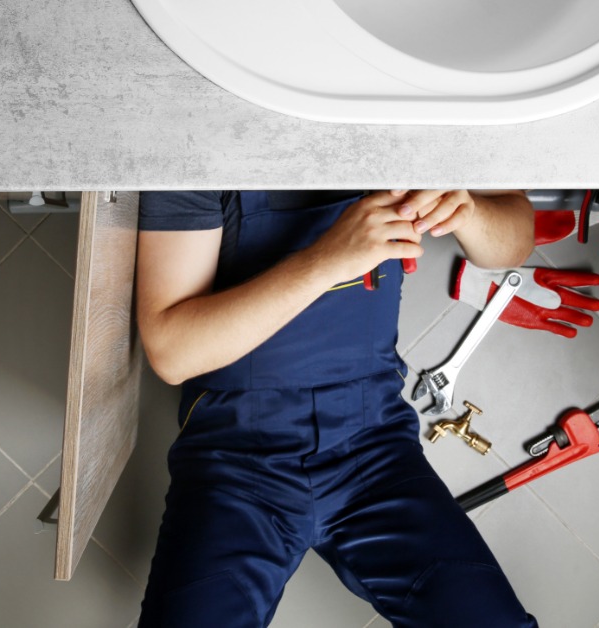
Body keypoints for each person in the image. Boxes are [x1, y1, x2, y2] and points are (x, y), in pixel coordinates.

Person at [135, 190, 538, 627]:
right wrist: (328, 258)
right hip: (236, 460)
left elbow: (515, 241)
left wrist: (469, 211)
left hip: (375, 450)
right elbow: (173, 352)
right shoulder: (197, 143)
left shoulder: (414, 124)